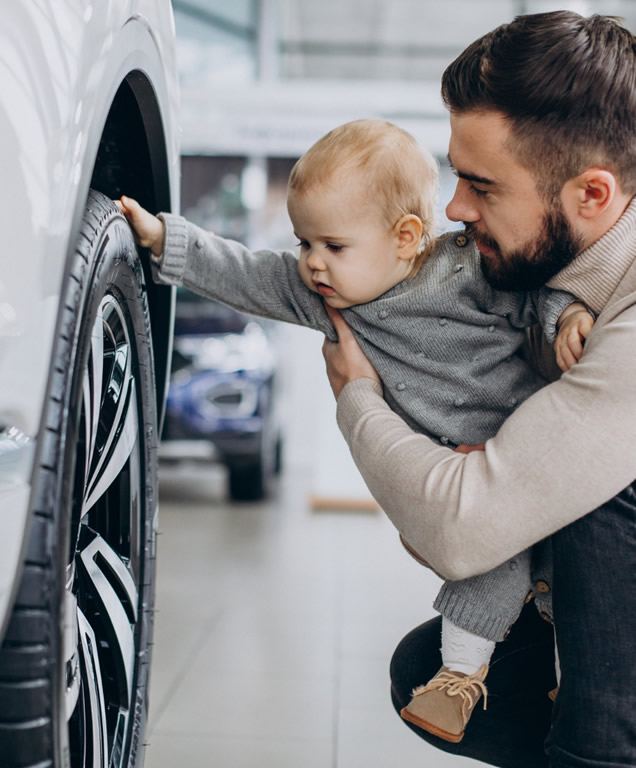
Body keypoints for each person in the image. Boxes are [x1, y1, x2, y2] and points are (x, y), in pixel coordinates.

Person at [116, 118, 592, 744]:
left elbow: (536, 292)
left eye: (333, 246)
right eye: (303, 243)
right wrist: (164, 240)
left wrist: (569, 317)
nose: (313, 263)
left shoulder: (463, 270)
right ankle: (457, 678)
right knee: (487, 568)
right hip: (455, 478)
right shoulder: (322, 295)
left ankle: (575, 687)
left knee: (572, 575)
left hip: (525, 449)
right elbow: (244, 273)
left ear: (405, 238)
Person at [320, 11, 636, 768]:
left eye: (482, 185)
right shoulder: (557, 286)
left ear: (591, 195)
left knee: (602, 491)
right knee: (423, 672)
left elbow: (462, 530)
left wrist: (356, 397)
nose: (455, 209)